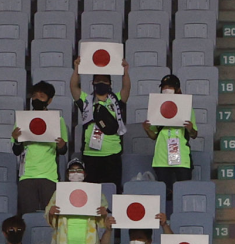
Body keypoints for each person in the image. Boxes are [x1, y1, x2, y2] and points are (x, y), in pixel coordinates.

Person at [70, 56, 131, 193]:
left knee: (111, 192)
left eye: (104, 80)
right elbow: (74, 87)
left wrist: (125, 72)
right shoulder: (86, 100)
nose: (101, 83)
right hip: (90, 155)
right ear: (93, 83)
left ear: (110, 83)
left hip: (112, 155)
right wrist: (76, 70)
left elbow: (126, 89)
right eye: (98, 80)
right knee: (91, 193)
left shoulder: (116, 100)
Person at [45, 159, 110, 244]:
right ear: (67, 174)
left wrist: (104, 214)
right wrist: (51, 213)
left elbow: (103, 224)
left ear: (84, 174)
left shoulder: (95, 193)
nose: (76, 173)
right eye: (72, 171)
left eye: (79, 170)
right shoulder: (59, 192)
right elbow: (50, 219)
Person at [12, 81, 68, 214]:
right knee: (28, 215)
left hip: (49, 176)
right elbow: (16, 151)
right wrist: (16, 140)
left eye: (41, 96)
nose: (37, 99)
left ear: (49, 100)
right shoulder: (22, 120)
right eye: (34, 96)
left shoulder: (58, 121)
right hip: (26, 176)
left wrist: (61, 145)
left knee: (50, 218)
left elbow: (63, 150)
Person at [143, 74, 198, 206]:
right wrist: (147, 129)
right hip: (161, 157)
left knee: (183, 194)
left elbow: (194, 134)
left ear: (177, 89)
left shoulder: (187, 108)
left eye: (169, 87)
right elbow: (154, 136)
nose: (166, 89)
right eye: (164, 87)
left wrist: (190, 128)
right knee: (164, 195)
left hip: (182, 158)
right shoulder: (157, 108)